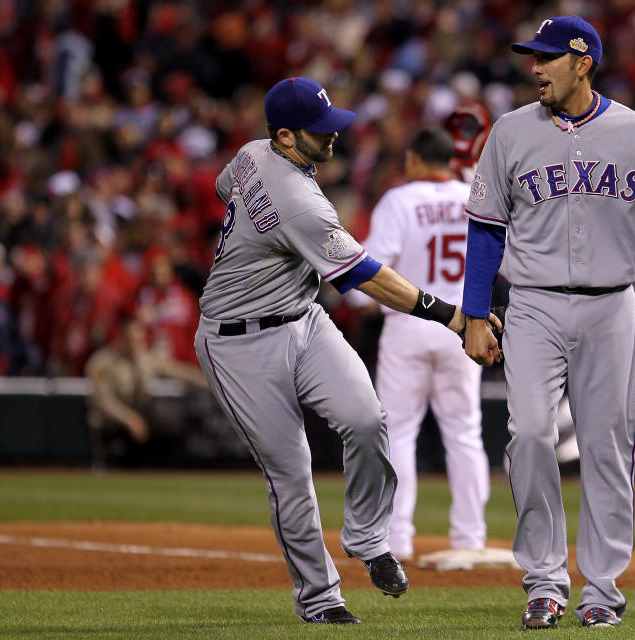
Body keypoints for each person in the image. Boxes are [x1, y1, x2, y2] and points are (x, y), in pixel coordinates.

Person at [193, 77, 499, 626]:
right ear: (285, 136)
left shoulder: (249, 153)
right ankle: (320, 599)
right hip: (236, 341)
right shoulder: (299, 201)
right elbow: (364, 277)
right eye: (318, 131)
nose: (332, 137)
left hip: (303, 318)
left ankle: (366, 534)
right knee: (291, 471)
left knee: (368, 419)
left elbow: (225, 191)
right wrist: (452, 316)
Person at [461, 17, 635, 629]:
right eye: (532, 58)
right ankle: (543, 580)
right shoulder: (510, 132)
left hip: (613, 304)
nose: (534, 68)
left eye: (545, 58)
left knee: (606, 448)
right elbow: (485, 230)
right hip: (533, 303)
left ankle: (601, 590)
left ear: (582, 61)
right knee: (532, 434)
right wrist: (474, 313)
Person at [353, 127, 490, 561]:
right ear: (450, 159)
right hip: (464, 325)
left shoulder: (399, 199)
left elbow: (371, 271)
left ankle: (397, 541)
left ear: (413, 159)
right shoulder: (473, 195)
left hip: (410, 323)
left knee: (398, 433)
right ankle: (470, 538)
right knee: (465, 434)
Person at [86, 314, 207, 470]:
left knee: (171, 424)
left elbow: (180, 372)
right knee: (96, 419)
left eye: (139, 339)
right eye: (131, 339)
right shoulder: (103, 362)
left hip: (140, 419)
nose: (135, 344)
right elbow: (102, 400)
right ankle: (101, 461)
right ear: (121, 337)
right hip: (113, 422)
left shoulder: (146, 359)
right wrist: (129, 419)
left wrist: (212, 383)